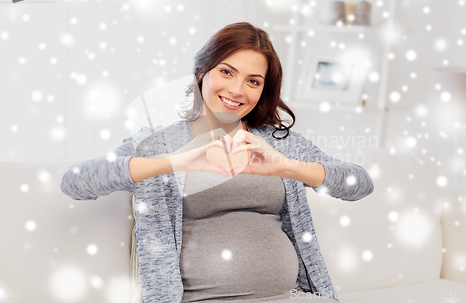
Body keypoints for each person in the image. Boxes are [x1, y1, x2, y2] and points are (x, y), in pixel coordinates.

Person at [61, 22, 374, 303]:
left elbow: (358, 184)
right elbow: (75, 182)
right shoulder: (157, 144)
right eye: (227, 72)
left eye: (253, 81)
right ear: (201, 72)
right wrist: (174, 162)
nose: (237, 90)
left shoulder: (279, 143)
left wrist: (285, 167)